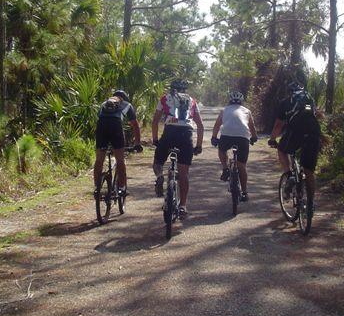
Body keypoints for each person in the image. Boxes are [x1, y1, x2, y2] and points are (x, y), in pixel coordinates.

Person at [151, 79, 203, 219]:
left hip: (170, 132)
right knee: (183, 174)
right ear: (185, 90)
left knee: (158, 162)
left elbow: (155, 121)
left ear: (171, 88)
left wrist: (155, 139)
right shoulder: (192, 101)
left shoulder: (164, 98)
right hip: (186, 134)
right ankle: (183, 206)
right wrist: (198, 145)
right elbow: (200, 125)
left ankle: (160, 176)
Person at [267, 82, 322, 201]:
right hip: (314, 132)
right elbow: (315, 115)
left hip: (296, 132)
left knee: (282, 150)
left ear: (289, 92)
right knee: (309, 171)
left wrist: (272, 139)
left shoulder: (286, 102)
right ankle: (310, 204)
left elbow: (278, 125)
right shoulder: (310, 99)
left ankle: (289, 175)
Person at [210, 90, 258, 202]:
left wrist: (213, 137)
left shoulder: (224, 110)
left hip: (227, 136)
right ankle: (245, 192)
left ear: (229, 101)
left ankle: (225, 168)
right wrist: (254, 137)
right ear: (241, 101)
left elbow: (217, 125)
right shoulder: (247, 111)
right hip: (242, 138)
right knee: (241, 166)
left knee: (222, 150)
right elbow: (252, 127)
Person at [94, 90, 142, 198]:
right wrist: (137, 143)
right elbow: (135, 125)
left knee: (99, 159)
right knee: (120, 159)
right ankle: (122, 188)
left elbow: (100, 119)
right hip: (116, 126)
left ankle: (97, 187)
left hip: (101, 128)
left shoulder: (104, 104)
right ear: (123, 98)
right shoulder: (127, 105)